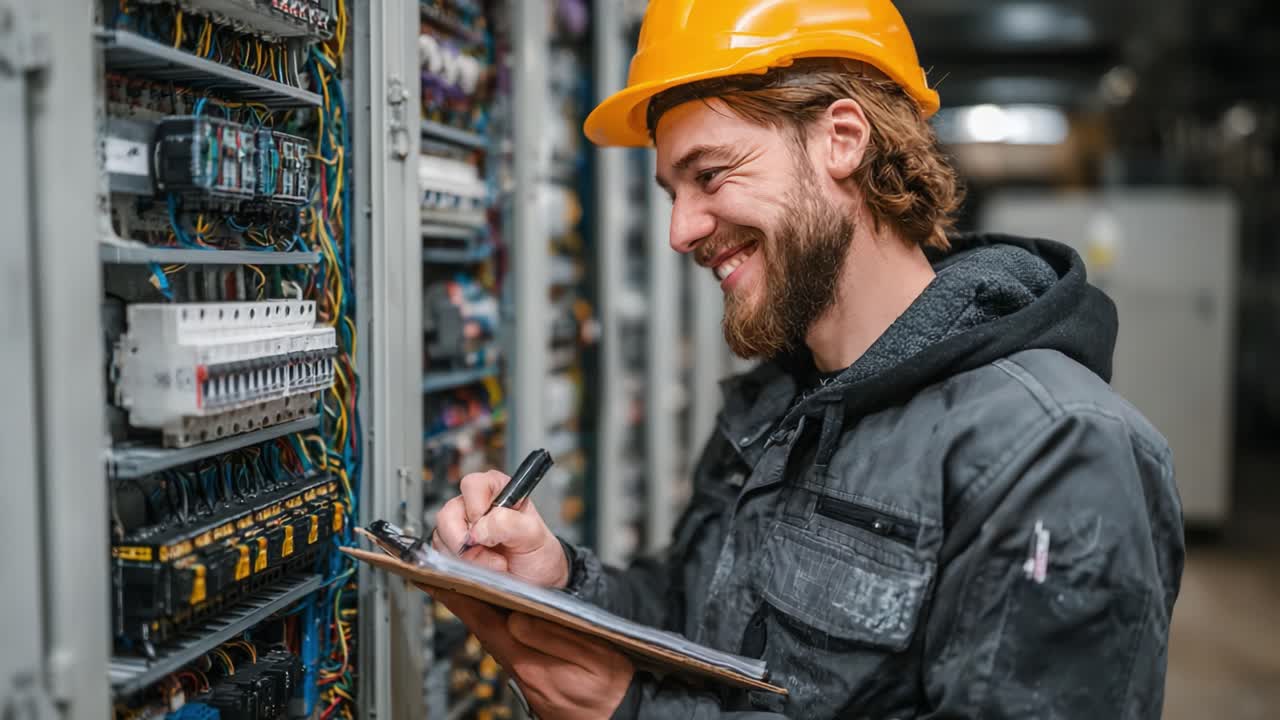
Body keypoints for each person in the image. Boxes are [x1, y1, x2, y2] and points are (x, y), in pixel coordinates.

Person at [429, 1, 1185, 717]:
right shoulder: (777, 403)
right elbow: (697, 620)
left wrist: (634, 712)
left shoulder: (1058, 451)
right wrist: (562, 581)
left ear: (843, 139)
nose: (682, 230)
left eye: (710, 174)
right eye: (671, 192)